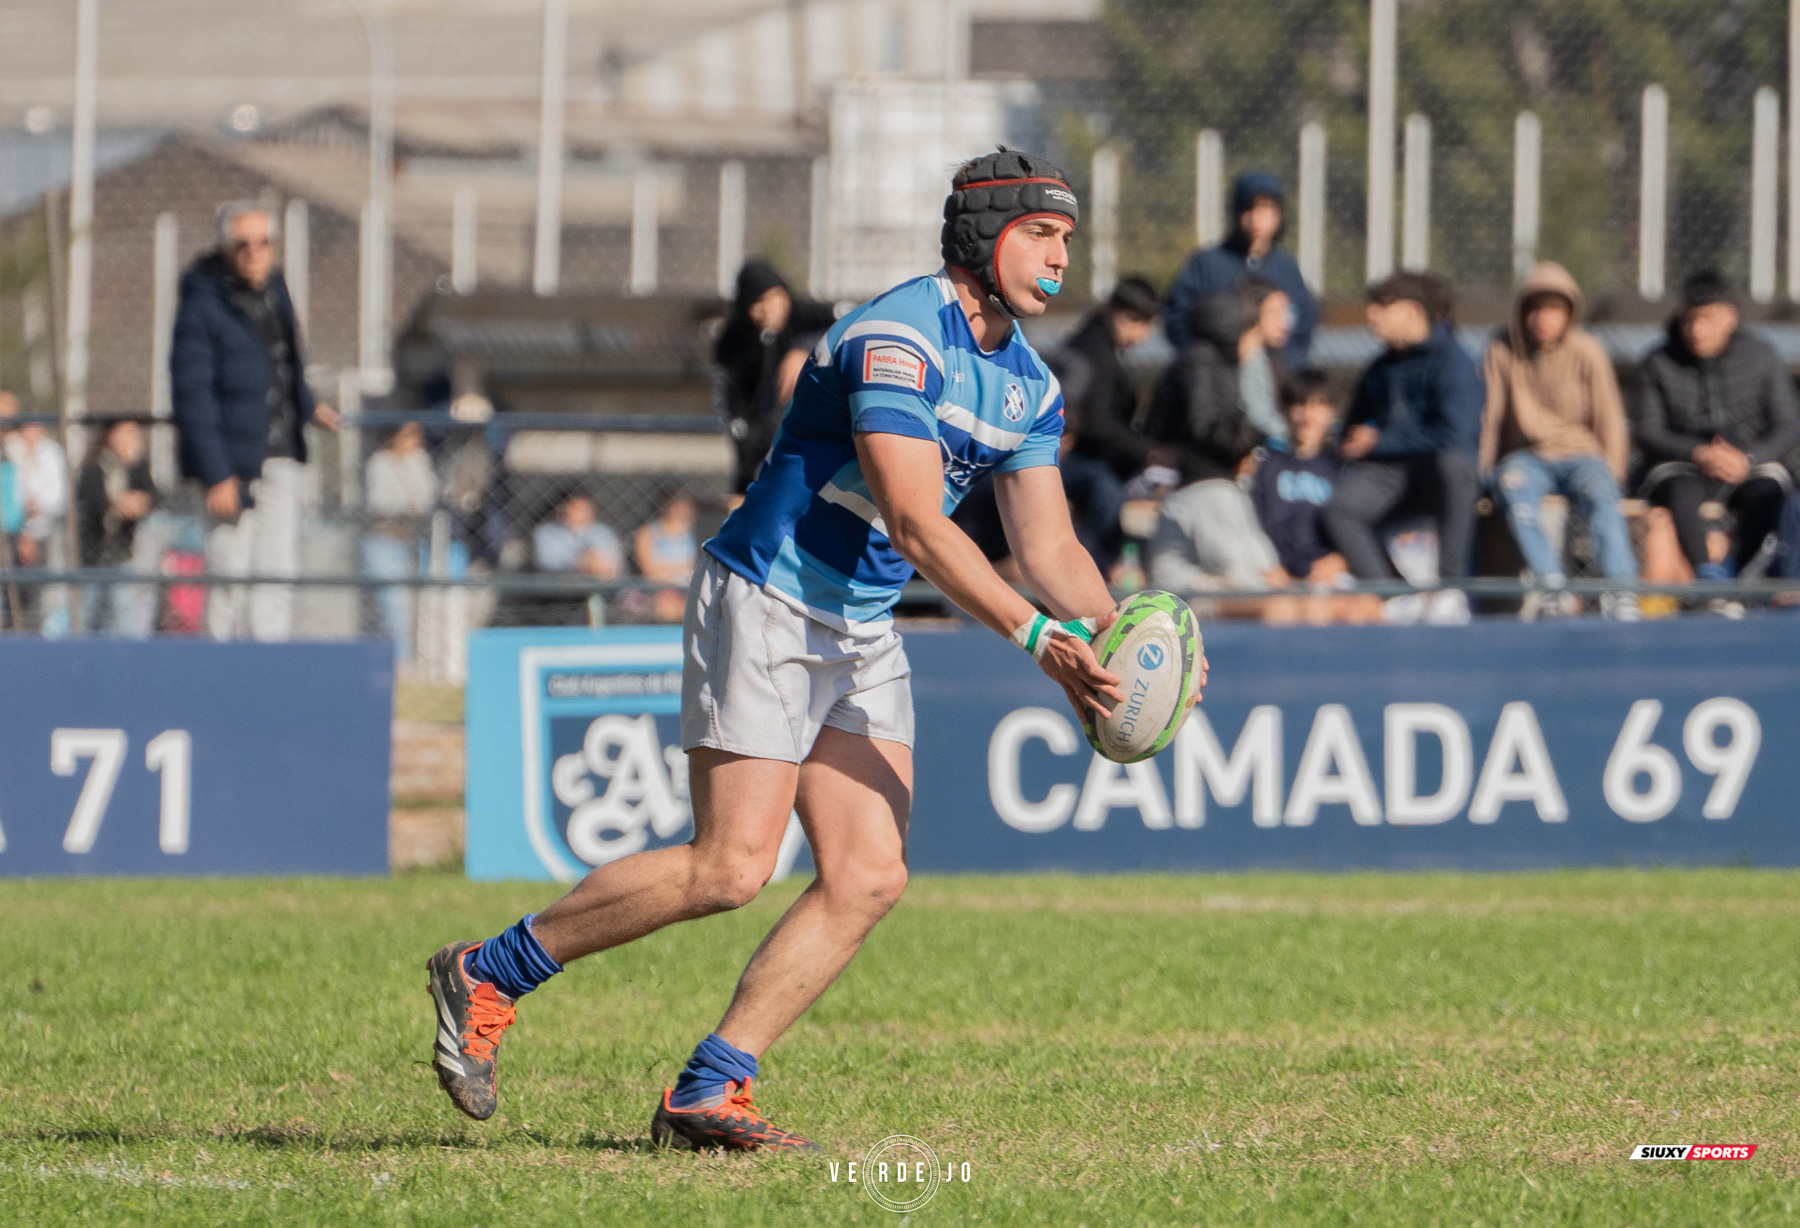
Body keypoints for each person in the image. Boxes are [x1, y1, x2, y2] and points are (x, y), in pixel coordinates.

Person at [422, 149, 1202, 1152]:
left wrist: (1130, 637)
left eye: (1067, 240)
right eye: (1042, 234)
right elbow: (920, 524)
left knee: (870, 874)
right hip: (768, 600)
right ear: (986, 234)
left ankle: (710, 1087)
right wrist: (1035, 634)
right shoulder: (893, 338)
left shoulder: (1031, 385)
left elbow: (1049, 546)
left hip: (860, 624)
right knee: (731, 867)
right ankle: (490, 971)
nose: (1060, 259)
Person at [171, 201, 339, 642]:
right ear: (224, 247)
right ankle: (220, 675)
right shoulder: (202, 303)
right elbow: (192, 395)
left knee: (277, 571)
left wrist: (307, 404)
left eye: (264, 243)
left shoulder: (275, 291)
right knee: (229, 575)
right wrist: (216, 474)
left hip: (280, 452)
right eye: (243, 243)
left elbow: (285, 360)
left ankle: (268, 673)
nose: (254, 252)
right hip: (233, 463)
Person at [1322, 272, 1485, 625]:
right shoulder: (1380, 368)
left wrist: (1382, 441)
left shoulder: (1455, 363)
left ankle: (1449, 589)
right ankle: (1394, 596)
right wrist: (1349, 441)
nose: (1371, 314)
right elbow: (1355, 427)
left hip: (1435, 475)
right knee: (1341, 509)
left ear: (1413, 311)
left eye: (1382, 306)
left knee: (1457, 467)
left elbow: (1456, 434)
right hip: (1387, 475)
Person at [1479, 262, 1638, 620]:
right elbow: (1490, 417)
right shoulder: (1501, 350)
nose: (1543, 318)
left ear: (1569, 313)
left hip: (1582, 454)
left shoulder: (1588, 350)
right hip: (1527, 458)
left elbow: (1610, 416)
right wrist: (1484, 471)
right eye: (1534, 308)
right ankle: (1552, 586)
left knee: (1601, 496)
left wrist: (1613, 471)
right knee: (1513, 489)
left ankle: (1622, 590)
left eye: (1553, 308)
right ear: (1521, 312)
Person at [1633, 270, 1799, 581]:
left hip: (1751, 464)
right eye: (1689, 320)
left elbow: (1788, 426)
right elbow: (1648, 431)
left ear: (1731, 318)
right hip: (1683, 465)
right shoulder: (1658, 362)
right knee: (1680, 490)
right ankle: (1706, 576)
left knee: (1767, 491)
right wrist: (1697, 452)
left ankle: (1737, 576)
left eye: (1707, 320)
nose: (1697, 330)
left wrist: (1746, 458)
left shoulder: (1762, 356)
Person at [1143, 283, 1286, 596]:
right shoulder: (1201, 360)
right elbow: (1203, 426)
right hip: (1205, 483)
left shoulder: (1220, 362)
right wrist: (1246, 442)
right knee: (1249, 587)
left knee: (1269, 576)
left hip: (1222, 483)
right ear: (1232, 328)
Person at [1050, 275, 1160, 569]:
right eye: (1135, 321)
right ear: (1114, 313)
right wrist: (1145, 452)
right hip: (1068, 455)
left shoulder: (1103, 347)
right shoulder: (1092, 351)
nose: (1141, 333)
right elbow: (1096, 425)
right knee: (1104, 487)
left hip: (1090, 453)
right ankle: (1102, 567)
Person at [1165, 171, 1318, 369]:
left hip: (1273, 379)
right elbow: (1178, 317)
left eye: (1266, 208)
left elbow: (1302, 324)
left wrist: (1284, 368)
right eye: (1248, 208)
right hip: (1218, 375)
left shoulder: (1286, 267)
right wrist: (1205, 360)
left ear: (1279, 214)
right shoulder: (1207, 263)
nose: (1256, 217)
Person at [714, 259, 837, 493]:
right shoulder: (733, 342)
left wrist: (805, 349)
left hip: (817, 438)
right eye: (758, 302)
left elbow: (851, 321)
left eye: (775, 297)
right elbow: (729, 401)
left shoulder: (805, 316)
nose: (769, 309)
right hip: (765, 447)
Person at [362, 422, 438, 665]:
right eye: (407, 435)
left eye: (416, 435)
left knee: (416, 608)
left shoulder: (420, 461)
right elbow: (380, 504)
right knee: (392, 606)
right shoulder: (379, 462)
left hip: (413, 545)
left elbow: (427, 498)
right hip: (383, 541)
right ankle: (398, 663)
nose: (413, 441)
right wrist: (404, 509)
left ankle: (414, 661)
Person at [75, 418, 157, 636]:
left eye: (133, 434)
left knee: (122, 613)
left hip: (121, 554)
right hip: (93, 556)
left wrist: (142, 501)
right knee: (87, 615)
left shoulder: (137, 468)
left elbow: (155, 495)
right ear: (110, 436)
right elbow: (89, 500)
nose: (129, 440)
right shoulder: (93, 467)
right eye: (124, 433)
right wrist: (114, 503)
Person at [0, 391, 70, 633]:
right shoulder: (11, 448)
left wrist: (27, 525)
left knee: (33, 593)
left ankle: (28, 633)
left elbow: (56, 497)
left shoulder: (47, 453)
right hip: (13, 531)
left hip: (30, 532)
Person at [633, 489, 699, 622]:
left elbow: (698, 565)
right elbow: (649, 570)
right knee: (667, 606)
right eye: (677, 506)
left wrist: (668, 568)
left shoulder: (695, 533)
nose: (682, 510)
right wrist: (681, 568)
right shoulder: (648, 533)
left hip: (689, 587)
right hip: (657, 588)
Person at [532, 494, 622, 580]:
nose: (584, 513)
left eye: (587, 509)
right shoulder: (547, 532)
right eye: (578, 509)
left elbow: (614, 565)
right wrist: (582, 562)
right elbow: (548, 563)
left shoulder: (602, 532)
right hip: (561, 583)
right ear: (564, 509)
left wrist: (594, 563)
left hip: (598, 581)